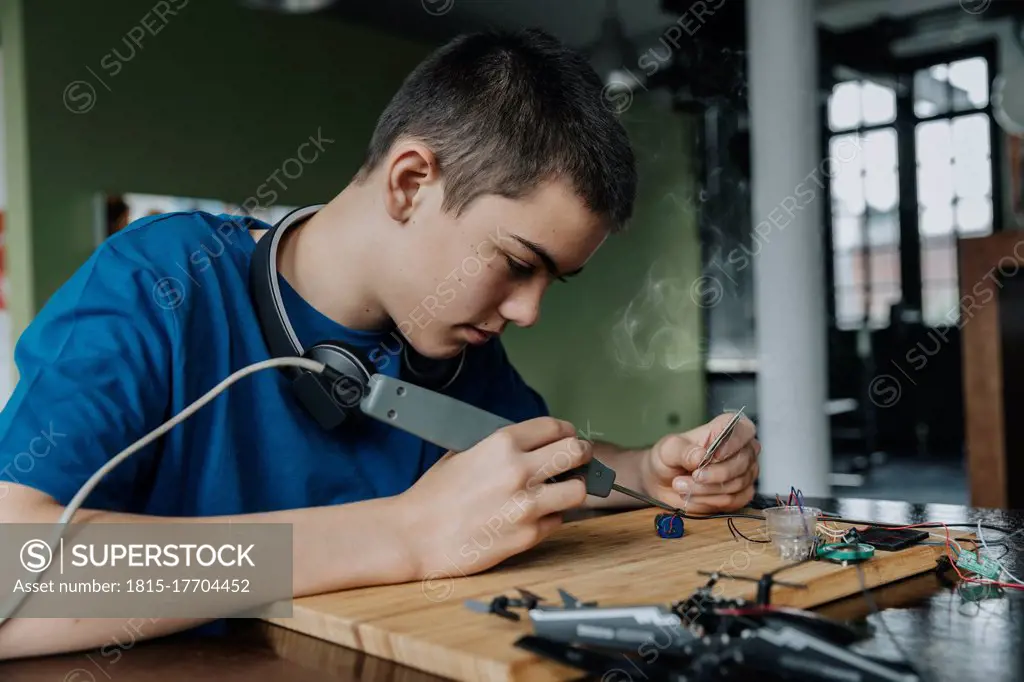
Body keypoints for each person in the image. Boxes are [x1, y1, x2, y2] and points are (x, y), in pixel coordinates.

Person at [0, 28, 760, 659]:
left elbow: (523, 484)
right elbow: (14, 574)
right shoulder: (158, 285)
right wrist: (401, 535)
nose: (527, 310)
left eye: (550, 282)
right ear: (409, 182)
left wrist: (649, 472)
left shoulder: (452, 340)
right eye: (517, 264)